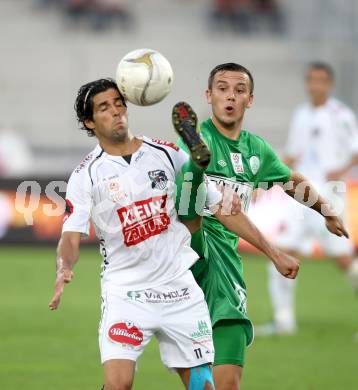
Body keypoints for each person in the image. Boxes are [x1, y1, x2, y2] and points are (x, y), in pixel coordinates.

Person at [48, 78, 298, 390]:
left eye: (118, 103)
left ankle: (198, 164)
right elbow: (70, 236)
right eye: (104, 107)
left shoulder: (165, 154)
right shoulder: (86, 175)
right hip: (127, 292)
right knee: (119, 384)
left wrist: (273, 252)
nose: (116, 111)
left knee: (203, 387)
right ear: (89, 121)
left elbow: (222, 207)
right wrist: (64, 268)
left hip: (180, 290)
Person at [178, 62, 349, 390]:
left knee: (223, 382)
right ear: (209, 95)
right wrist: (274, 253)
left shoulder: (256, 150)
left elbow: (291, 179)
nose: (230, 96)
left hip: (224, 265)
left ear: (250, 100)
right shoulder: (196, 140)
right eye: (223, 88)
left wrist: (326, 211)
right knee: (195, 197)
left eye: (239, 90)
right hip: (188, 246)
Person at [257, 62, 358, 336]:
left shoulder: (341, 114)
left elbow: (355, 148)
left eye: (320, 80)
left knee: (344, 260)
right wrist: (264, 180)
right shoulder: (301, 114)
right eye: (311, 80)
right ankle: (283, 320)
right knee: (280, 253)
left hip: (332, 192)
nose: (315, 85)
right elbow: (291, 154)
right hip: (301, 194)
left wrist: (343, 169)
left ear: (330, 84)